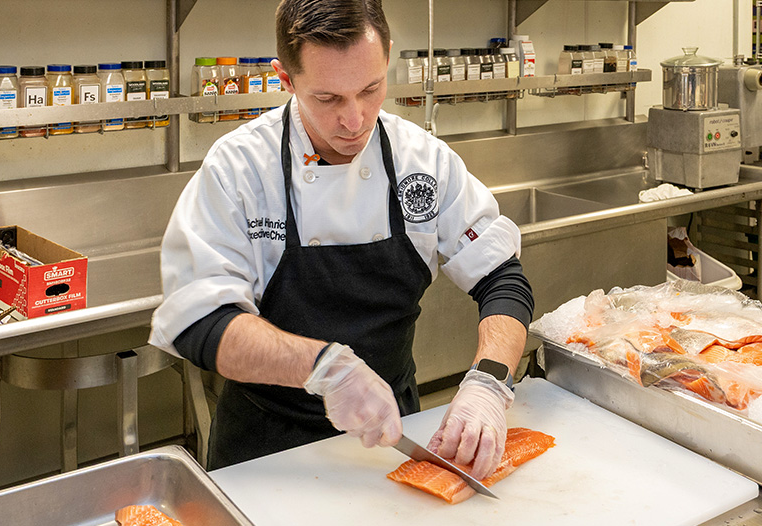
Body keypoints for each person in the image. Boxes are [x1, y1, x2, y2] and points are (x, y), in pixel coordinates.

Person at [148, 0, 533, 478]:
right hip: (267, 451)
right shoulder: (241, 169)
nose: (355, 121)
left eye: (371, 89)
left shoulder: (423, 161)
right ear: (285, 79)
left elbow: (502, 278)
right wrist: (325, 368)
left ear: (388, 55)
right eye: (328, 99)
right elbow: (198, 322)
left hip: (394, 437)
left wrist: (489, 383)